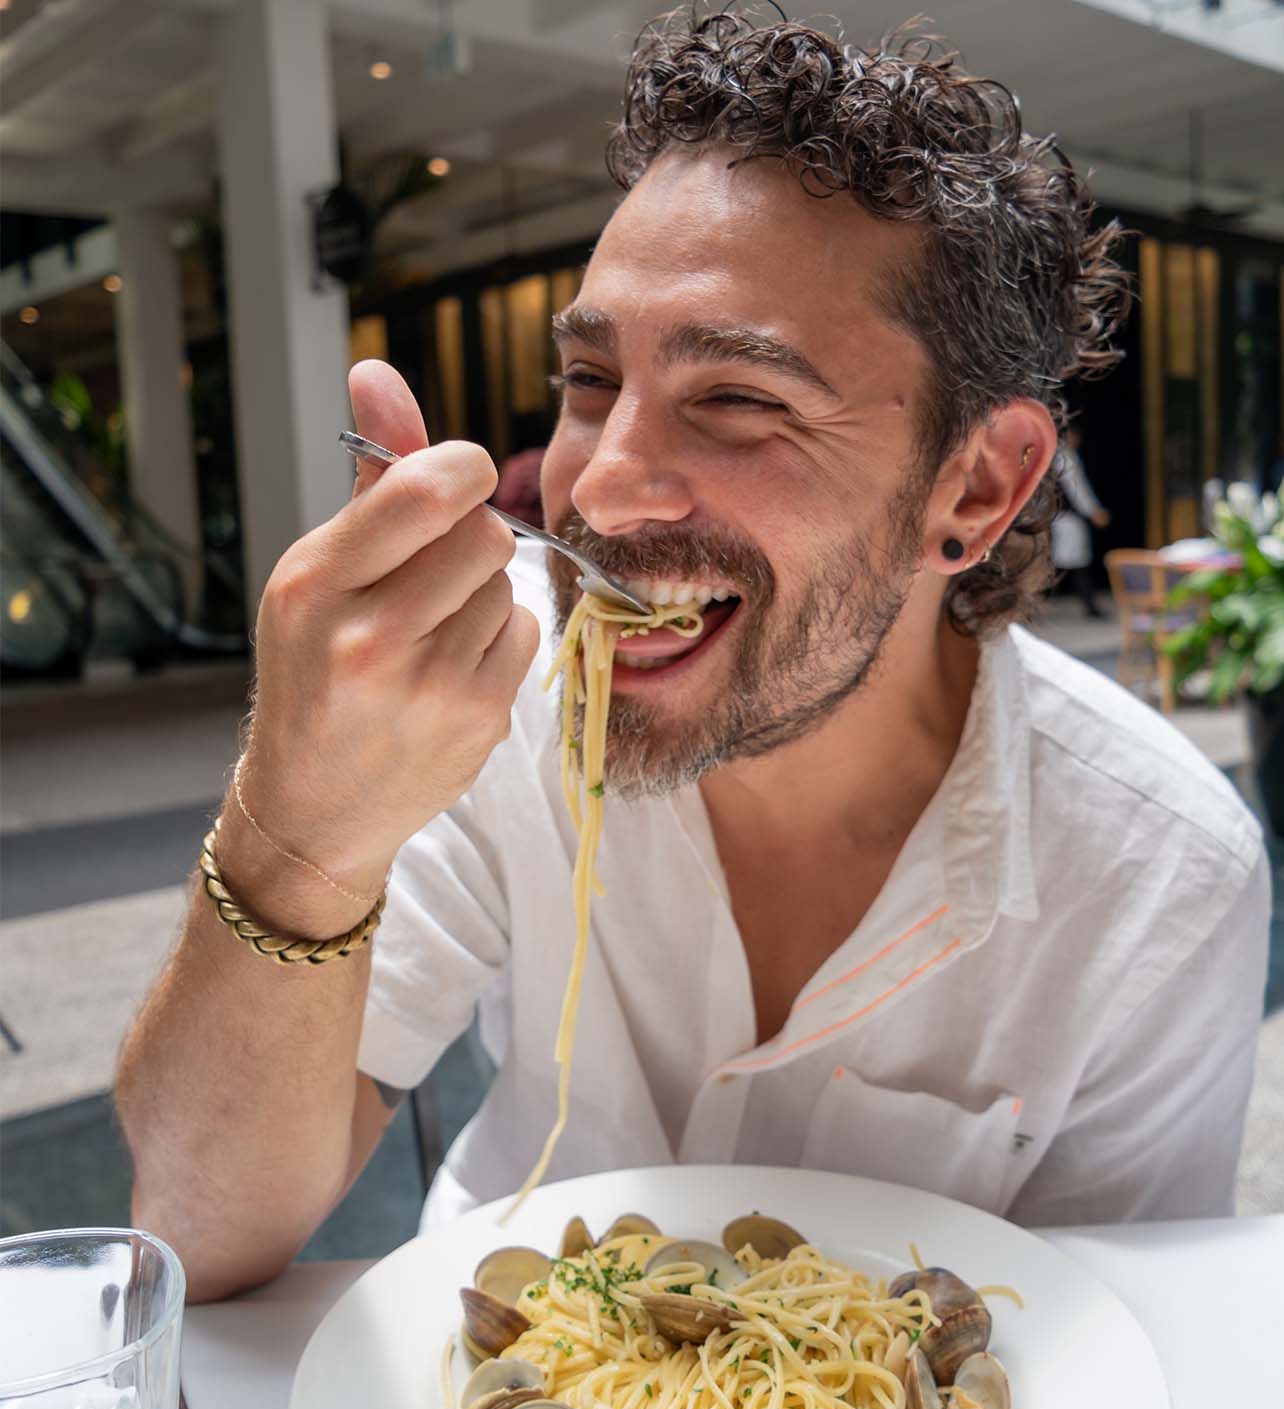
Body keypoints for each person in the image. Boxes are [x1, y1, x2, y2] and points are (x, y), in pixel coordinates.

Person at [116, 12, 1268, 1303]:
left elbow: (1081, 1398)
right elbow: (195, 1236)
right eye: (592, 380)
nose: (595, 493)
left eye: (737, 400)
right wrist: (295, 830)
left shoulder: (1161, 887)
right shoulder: (499, 700)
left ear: (977, 490)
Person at [1050, 424, 1110, 617]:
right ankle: (1089, 605)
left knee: (1065, 562)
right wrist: (1093, 511)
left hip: (1058, 517)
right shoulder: (1065, 458)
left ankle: (1088, 604)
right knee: (1076, 561)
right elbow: (1078, 490)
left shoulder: (1056, 457)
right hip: (1067, 517)